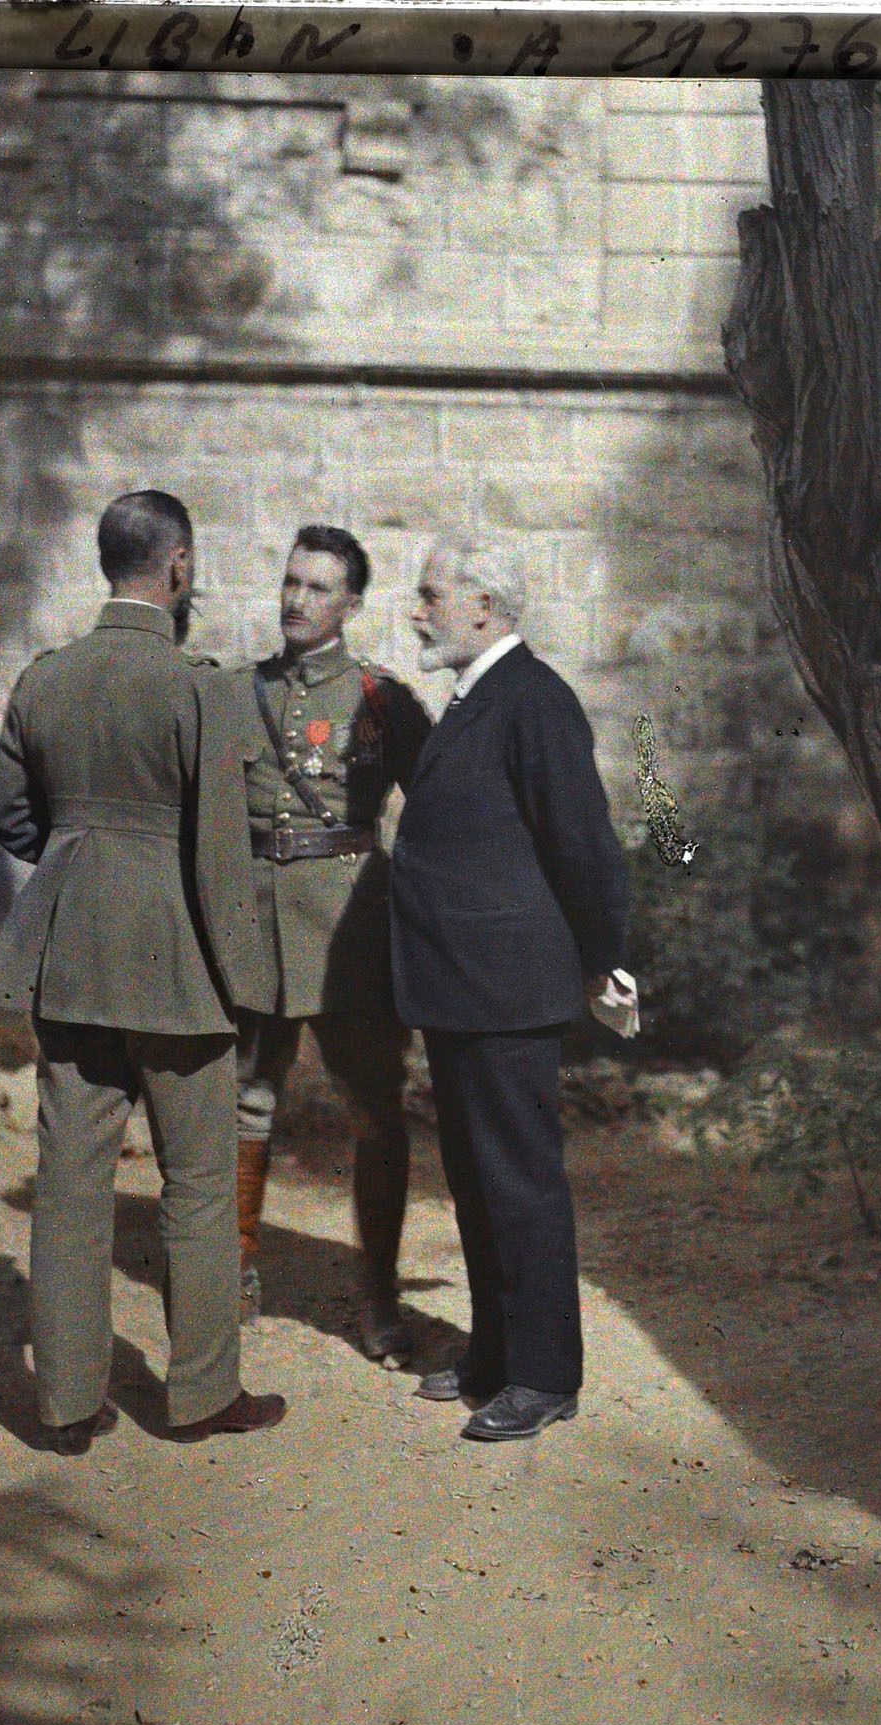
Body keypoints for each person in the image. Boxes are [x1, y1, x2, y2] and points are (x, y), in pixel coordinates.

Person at [0, 489, 285, 1452]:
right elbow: (221, 853)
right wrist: (244, 982)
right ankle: (200, 1396)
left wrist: (85, 855)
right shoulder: (198, 685)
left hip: (69, 954)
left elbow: (14, 824)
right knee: (196, 1181)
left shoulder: (43, 680)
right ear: (179, 567)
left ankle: (67, 1402)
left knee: (69, 1180)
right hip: (177, 964)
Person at [390, 535, 630, 1442]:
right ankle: (494, 1352)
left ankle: (543, 1374)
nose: (416, 611)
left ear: (482, 608)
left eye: (428, 595)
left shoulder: (534, 700)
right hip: (462, 987)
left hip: (508, 988)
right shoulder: (480, 695)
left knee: (519, 1183)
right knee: (476, 1178)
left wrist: (603, 954)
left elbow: (582, 841)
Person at [235, 525, 432, 1360]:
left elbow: (439, 805)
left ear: (350, 606)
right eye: (289, 582)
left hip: (350, 927)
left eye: (317, 589)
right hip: (253, 922)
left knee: (374, 1110)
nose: (295, 600)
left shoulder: (383, 701)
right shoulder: (236, 694)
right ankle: (233, 1270)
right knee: (243, 1101)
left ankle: (379, 1294)